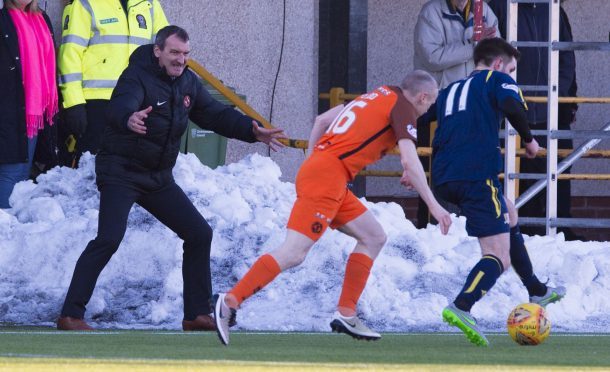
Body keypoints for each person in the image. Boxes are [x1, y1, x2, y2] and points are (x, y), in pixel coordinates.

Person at [57, 25, 287, 331]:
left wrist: (251, 129)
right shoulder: (136, 77)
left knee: (199, 234)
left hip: (157, 177)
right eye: (174, 53)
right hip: (121, 172)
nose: (181, 60)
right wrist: (129, 118)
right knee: (109, 239)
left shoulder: (188, 82)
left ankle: (196, 314)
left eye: (185, 54)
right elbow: (120, 106)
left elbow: (214, 114)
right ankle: (71, 314)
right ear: (158, 51)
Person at [212, 70, 453, 346]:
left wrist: (315, 159)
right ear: (423, 97)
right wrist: (435, 206)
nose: (427, 110)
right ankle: (230, 301)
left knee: (373, 237)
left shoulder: (380, 93)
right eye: (429, 104)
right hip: (328, 177)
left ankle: (347, 312)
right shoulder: (405, 109)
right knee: (293, 252)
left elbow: (322, 120)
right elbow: (411, 160)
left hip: (328, 174)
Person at [430, 38, 566, 346]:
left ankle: (536, 289)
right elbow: (510, 104)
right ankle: (462, 306)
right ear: (496, 64)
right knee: (498, 257)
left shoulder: (451, 90)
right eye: (512, 69)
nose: (512, 75)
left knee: (509, 210)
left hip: (443, 177)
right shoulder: (497, 79)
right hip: (476, 176)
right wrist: (529, 141)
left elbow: (419, 117)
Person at [488, 0, 581, 240]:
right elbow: (491, 57)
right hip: (514, 108)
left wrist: (566, 97)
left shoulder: (554, 10)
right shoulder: (500, 7)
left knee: (560, 165)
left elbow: (566, 57)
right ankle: (525, 227)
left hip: (552, 108)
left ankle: (560, 226)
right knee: (520, 167)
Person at [413, 0, 499, 228]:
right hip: (436, 102)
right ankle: (431, 227)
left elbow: (496, 54)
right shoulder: (432, 12)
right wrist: (474, 47)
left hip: (472, 103)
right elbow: (432, 56)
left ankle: (467, 226)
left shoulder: (484, 11)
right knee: (437, 167)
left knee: (470, 168)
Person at [57, 0, 169, 167]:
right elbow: (70, 55)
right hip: (97, 104)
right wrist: (74, 103)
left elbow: (166, 50)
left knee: (133, 168)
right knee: (92, 168)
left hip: (140, 102)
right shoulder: (85, 4)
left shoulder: (149, 4)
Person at [0, 0, 57, 208]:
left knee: (23, 172)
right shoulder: (3, 20)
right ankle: (5, 229)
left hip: (36, 112)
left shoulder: (43, 19)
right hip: (9, 109)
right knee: (11, 172)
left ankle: (14, 231)